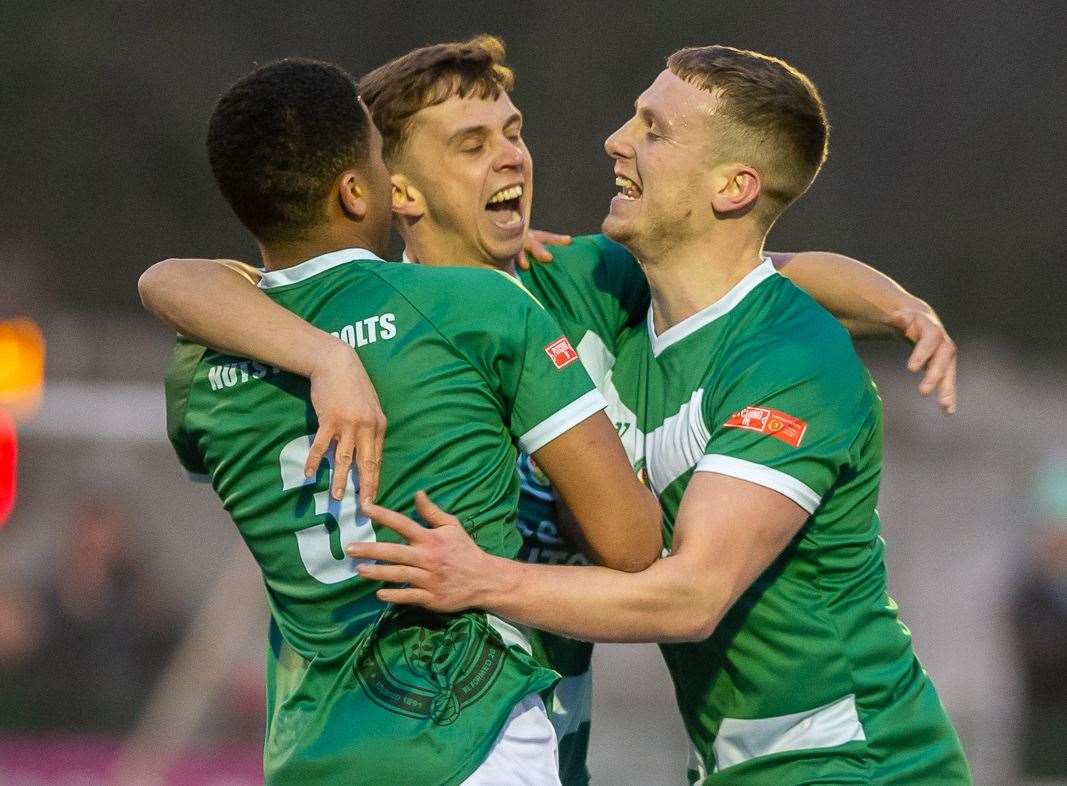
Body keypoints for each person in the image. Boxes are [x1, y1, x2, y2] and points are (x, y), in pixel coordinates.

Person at [139, 37, 960, 785]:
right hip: (477, 742)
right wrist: (323, 360)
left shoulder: (575, 284)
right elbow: (178, 280)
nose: (512, 158)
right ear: (393, 189)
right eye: (472, 144)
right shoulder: (430, 320)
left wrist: (898, 304)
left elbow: (753, 265)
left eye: (513, 131)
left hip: (546, 743)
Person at [155, 56, 670, 785]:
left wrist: (328, 355)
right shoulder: (479, 310)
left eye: (511, 133)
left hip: (315, 757)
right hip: (469, 740)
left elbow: (174, 282)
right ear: (364, 189)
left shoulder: (198, 366)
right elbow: (629, 541)